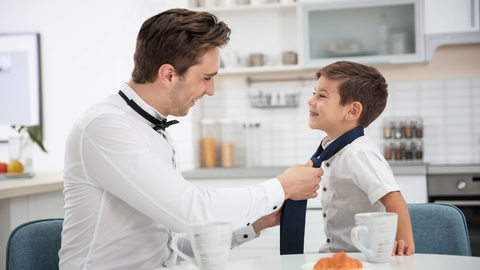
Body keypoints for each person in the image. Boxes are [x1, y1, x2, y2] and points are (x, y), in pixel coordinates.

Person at [58, 8, 323, 270]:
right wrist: (281, 187)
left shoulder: (156, 130)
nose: (211, 90)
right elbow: (190, 212)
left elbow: (169, 246)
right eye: (206, 78)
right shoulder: (105, 126)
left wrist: (255, 225)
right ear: (168, 75)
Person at [307, 61, 415, 256]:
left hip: (362, 257)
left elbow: (393, 197)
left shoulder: (358, 153)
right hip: (340, 255)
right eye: (314, 93)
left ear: (352, 111)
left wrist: (404, 250)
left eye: (321, 96)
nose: (311, 100)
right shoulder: (334, 149)